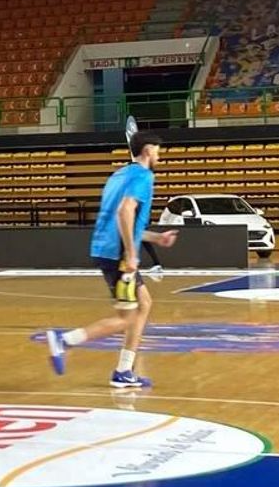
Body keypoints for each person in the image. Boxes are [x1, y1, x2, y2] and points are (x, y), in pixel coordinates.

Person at [42, 131, 178, 389]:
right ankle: (65, 340)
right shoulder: (144, 176)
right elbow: (124, 212)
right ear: (148, 151)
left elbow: (123, 220)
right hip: (118, 255)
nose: (160, 156)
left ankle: (124, 370)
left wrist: (156, 238)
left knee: (144, 304)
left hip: (105, 248)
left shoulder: (118, 175)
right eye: (158, 151)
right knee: (126, 318)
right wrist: (132, 254)